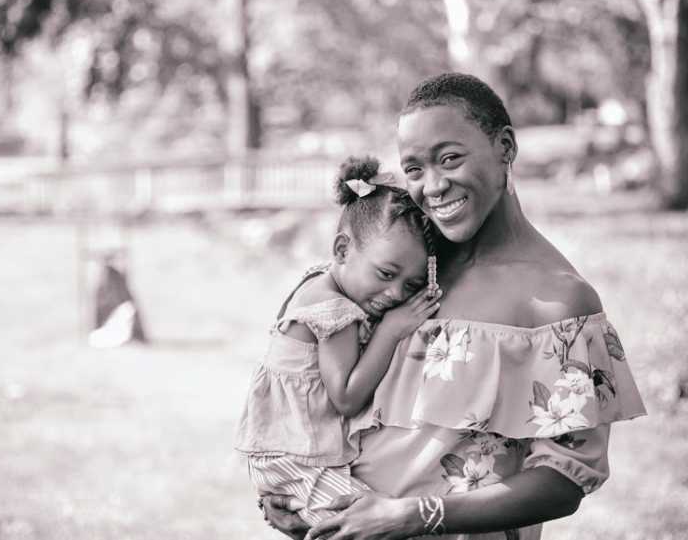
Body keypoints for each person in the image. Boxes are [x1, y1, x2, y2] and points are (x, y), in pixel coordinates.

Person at [261, 73, 646, 540]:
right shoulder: (407, 273)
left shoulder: (558, 305)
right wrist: (292, 490)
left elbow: (564, 481)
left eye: (450, 159)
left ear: (505, 146)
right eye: (415, 169)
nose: (434, 186)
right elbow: (318, 382)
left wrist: (410, 516)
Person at [235, 155, 443, 525]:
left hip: (286, 455)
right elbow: (346, 396)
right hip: (299, 463)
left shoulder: (321, 280)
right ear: (342, 250)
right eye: (386, 273)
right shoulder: (335, 311)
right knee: (373, 523)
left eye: (410, 285)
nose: (395, 293)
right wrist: (391, 330)